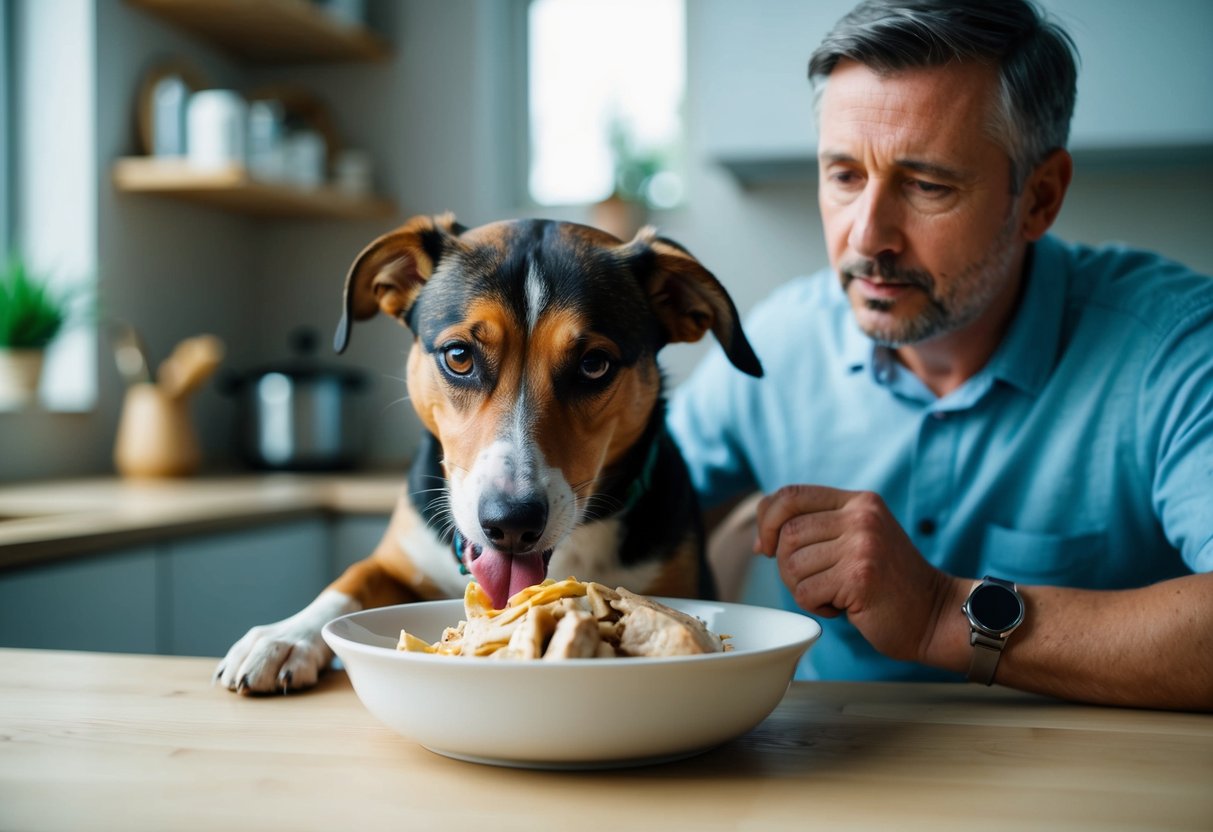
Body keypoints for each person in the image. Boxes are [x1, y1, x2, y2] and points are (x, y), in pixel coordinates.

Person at [667, 0, 1213, 711]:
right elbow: (619, 510)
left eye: (927, 186)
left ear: (1038, 198)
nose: (868, 237)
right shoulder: (774, 348)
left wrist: (936, 613)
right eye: (843, 175)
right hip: (831, 783)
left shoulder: (1173, 347)